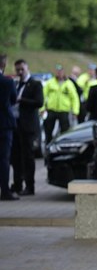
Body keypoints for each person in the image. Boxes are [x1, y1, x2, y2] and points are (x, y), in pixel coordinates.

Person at [11, 59, 44, 196]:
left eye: (22, 69)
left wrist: (21, 100)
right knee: (15, 157)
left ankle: (30, 186)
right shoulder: (16, 83)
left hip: (28, 125)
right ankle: (17, 184)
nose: (19, 72)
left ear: (27, 68)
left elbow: (39, 102)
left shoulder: (35, 84)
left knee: (28, 156)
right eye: (17, 70)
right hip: (16, 124)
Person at [42, 64, 80, 144]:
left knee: (65, 130)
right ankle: (48, 144)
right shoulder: (50, 82)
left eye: (60, 71)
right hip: (51, 110)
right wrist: (42, 108)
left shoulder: (69, 84)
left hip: (64, 111)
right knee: (48, 129)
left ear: (64, 72)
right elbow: (43, 95)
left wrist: (75, 111)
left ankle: (63, 145)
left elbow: (74, 98)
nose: (59, 73)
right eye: (57, 71)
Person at [0, 54, 19, 200]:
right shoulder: (7, 82)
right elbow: (13, 99)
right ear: (3, 65)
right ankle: (5, 191)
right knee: (4, 159)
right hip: (4, 124)